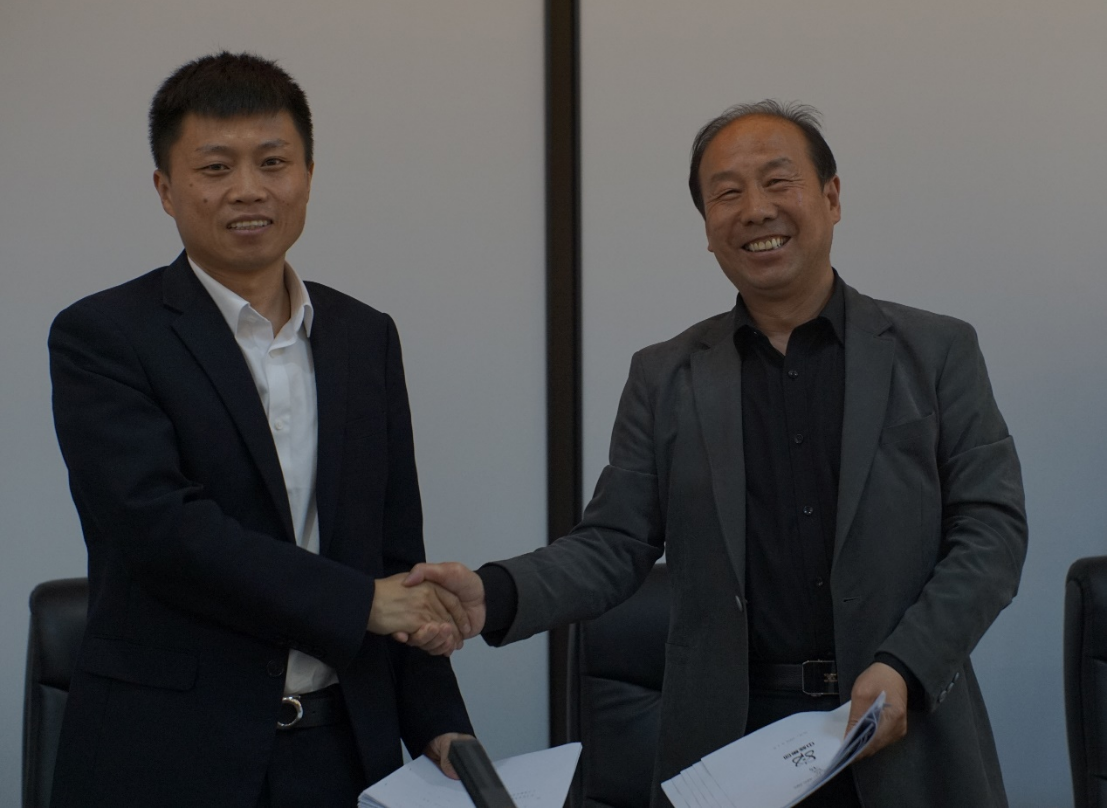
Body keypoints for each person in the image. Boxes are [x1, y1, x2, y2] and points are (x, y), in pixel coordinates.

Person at [406, 101, 1028, 808]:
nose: (755, 209)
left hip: (901, 724)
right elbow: (613, 544)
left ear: (831, 197)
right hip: (730, 747)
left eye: (778, 181)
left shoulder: (936, 352)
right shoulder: (666, 376)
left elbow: (993, 531)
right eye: (727, 193)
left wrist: (905, 665)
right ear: (707, 228)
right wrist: (493, 593)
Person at [48, 52, 473, 808]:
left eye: (273, 162)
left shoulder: (364, 336)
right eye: (216, 167)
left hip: (342, 752)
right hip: (168, 756)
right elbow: (162, 531)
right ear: (165, 189)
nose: (249, 189)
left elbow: (394, 554)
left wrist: (442, 726)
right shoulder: (105, 335)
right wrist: (360, 603)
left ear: (307, 175)